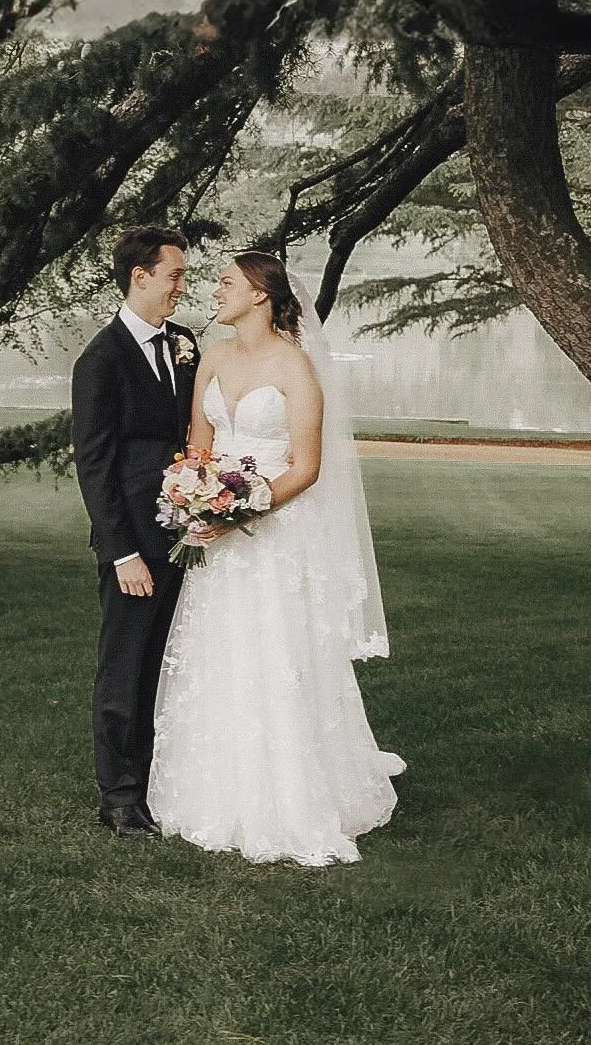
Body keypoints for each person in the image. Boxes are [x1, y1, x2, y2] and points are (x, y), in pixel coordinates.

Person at [147, 251, 404, 865]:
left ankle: (289, 796)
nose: (214, 291)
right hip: (218, 531)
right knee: (222, 651)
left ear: (260, 294)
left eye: (226, 282)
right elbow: (198, 449)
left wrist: (241, 513)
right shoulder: (212, 356)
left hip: (276, 535)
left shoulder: (294, 365)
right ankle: (213, 791)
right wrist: (197, 501)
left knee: (277, 651)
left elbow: (308, 467)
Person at [71, 227, 200, 838]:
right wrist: (121, 552)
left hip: (185, 533)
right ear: (140, 276)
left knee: (169, 662)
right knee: (125, 665)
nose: (182, 286)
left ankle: (161, 782)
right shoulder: (100, 360)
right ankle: (119, 797)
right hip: (133, 546)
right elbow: (94, 467)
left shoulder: (186, 346)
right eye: (174, 275)